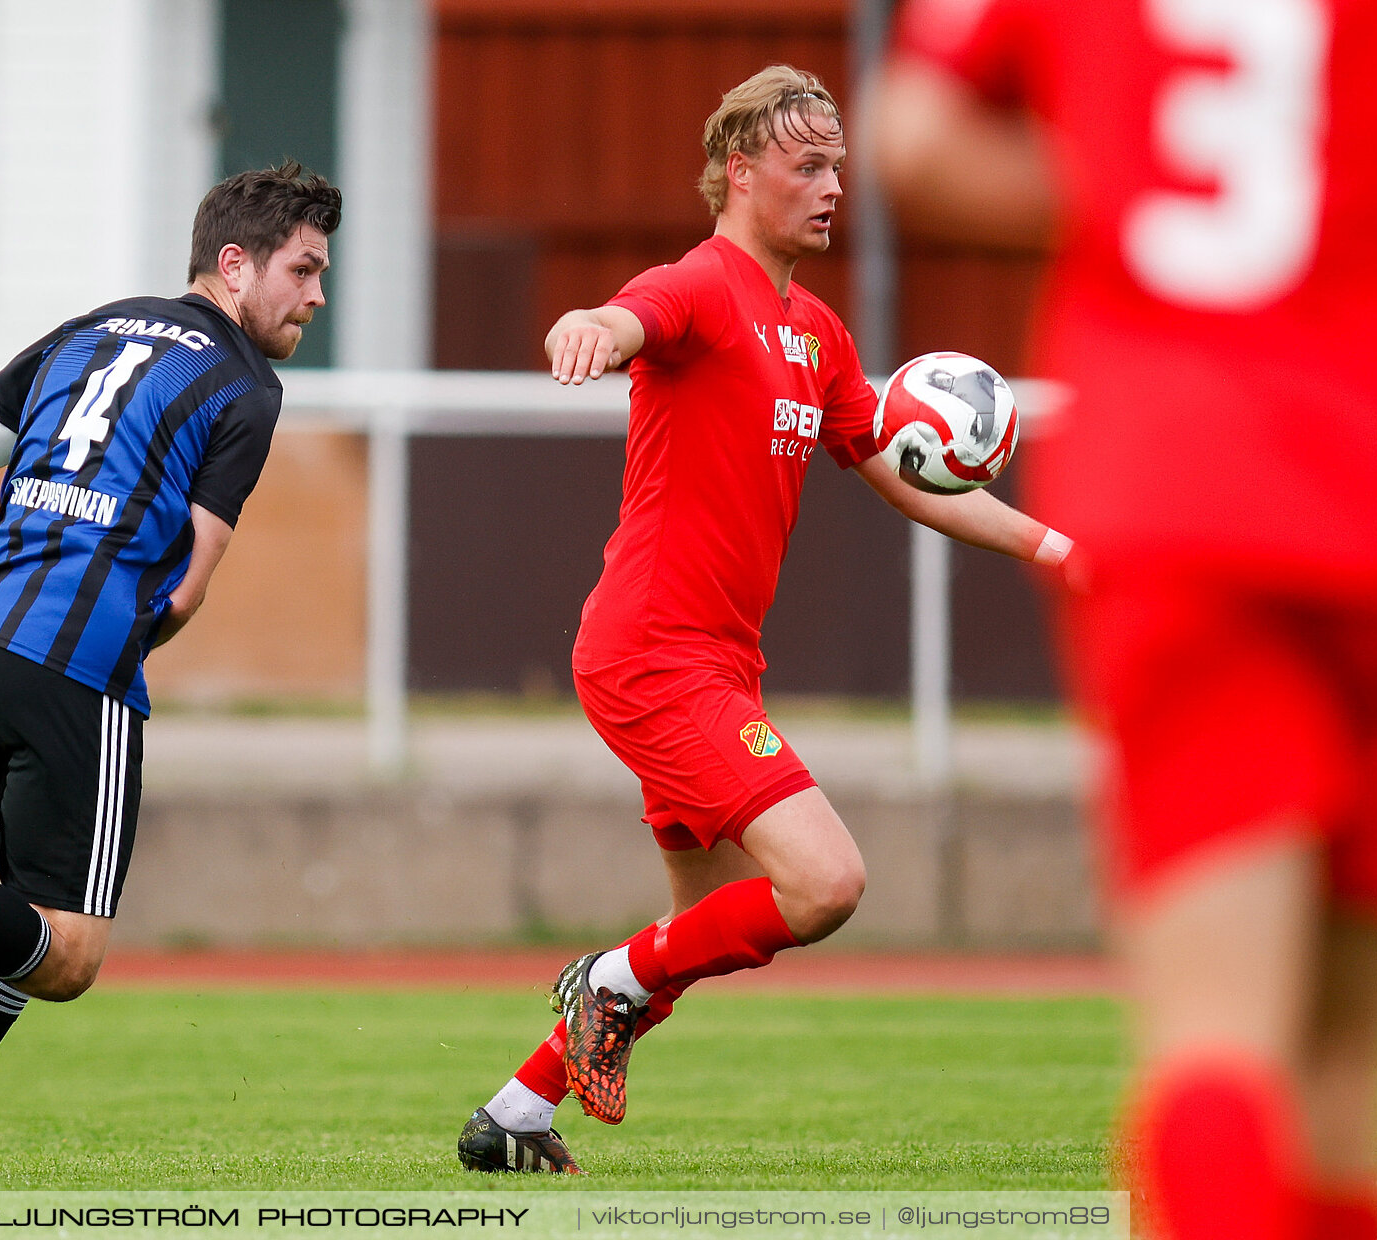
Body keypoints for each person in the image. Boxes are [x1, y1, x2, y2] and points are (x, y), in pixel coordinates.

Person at [455, 64, 1076, 1175]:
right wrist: (586, 326)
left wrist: (1056, 547)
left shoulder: (819, 332)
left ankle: (515, 1112)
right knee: (824, 882)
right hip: (653, 652)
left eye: (838, 164)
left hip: (716, 662)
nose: (834, 186)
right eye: (808, 165)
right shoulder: (700, 284)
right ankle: (604, 979)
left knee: (700, 934)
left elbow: (897, 465)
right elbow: (627, 314)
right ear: (741, 173)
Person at [871, 2, 1377, 1237]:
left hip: (1184, 484)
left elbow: (916, 138)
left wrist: (1136, 199)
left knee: (1218, 1046)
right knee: (1342, 1068)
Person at [0, 161, 340, 1173]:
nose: (316, 294)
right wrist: (106, 648)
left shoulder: (82, 332)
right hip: (75, 672)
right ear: (234, 264)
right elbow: (183, 592)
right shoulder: (243, 387)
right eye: (302, 269)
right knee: (71, 953)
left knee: (19, 922)